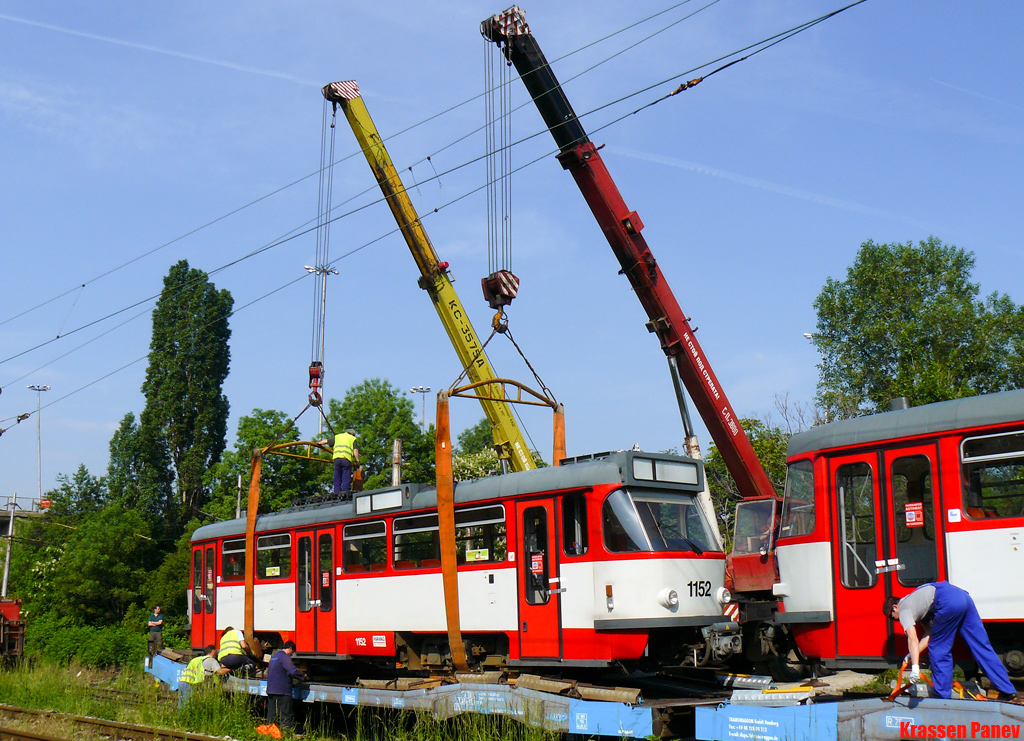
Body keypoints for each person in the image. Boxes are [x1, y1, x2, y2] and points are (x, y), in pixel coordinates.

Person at [885, 581, 1018, 702]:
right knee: (982, 647)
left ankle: (942, 696)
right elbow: (930, 634)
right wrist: (913, 654)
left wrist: (915, 667)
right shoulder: (917, 601)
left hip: (947, 601)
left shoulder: (904, 609)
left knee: (938, 650)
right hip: (963, 597)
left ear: (895, 607)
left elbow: (912, 638)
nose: (896, 620)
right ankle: (1007, 690)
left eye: (892, 617)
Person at [266, 640, 305, 733]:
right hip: (282, 691)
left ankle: (269, 735)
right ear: (290, 649)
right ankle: (286, 735)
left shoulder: (274, 657)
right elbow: (292, 671)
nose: (292, 655)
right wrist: (303, 676)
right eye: (293, 652)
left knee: (271, 715)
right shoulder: (285, 657)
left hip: (271, 690)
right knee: (286, 715)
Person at [324, 428, 359, 498]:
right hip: (346, 459)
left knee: (337, 477)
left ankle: (336, 492)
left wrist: (318, 443)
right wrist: (357, 461)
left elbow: (327, 441)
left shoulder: (338, 436)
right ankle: (344, 493)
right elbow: (355, 450)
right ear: (352, 434)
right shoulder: (352, 438)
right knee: (346, 477)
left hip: (337, 459)